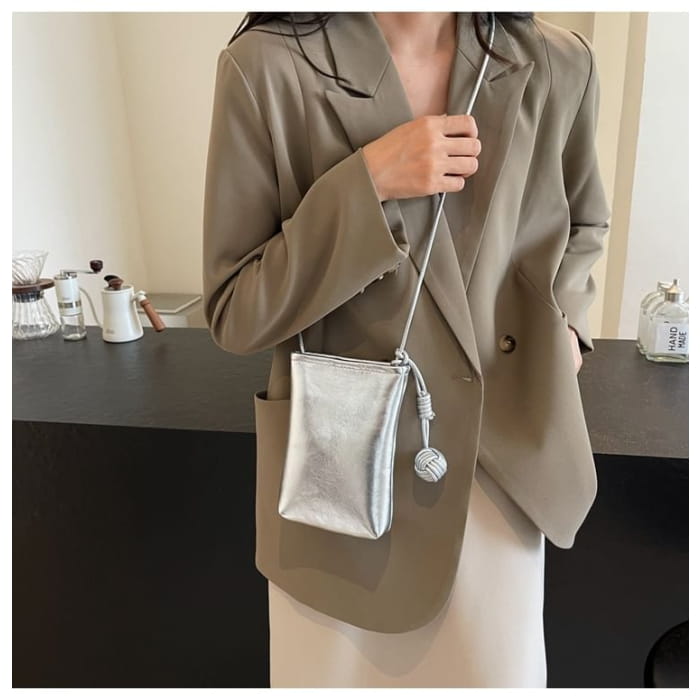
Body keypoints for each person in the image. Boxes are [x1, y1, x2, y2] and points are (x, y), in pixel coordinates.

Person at [202, 11, 611, 688]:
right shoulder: (266, 68)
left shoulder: (558, 63)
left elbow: (585, 222)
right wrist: (365, 186)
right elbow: (234, 308)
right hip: (343, 478)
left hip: (502, 465)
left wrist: (566, 326)